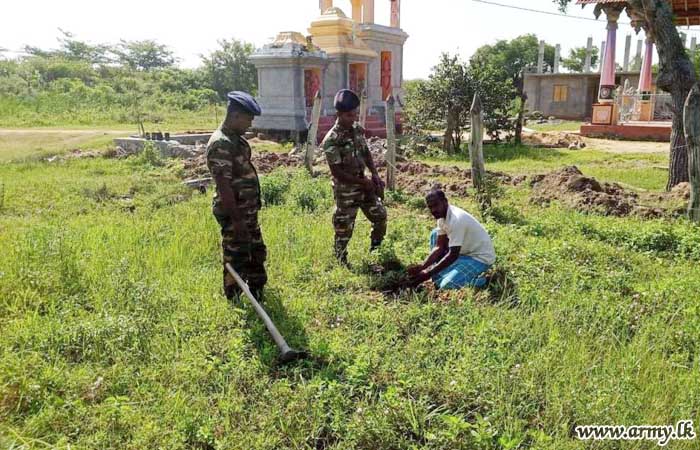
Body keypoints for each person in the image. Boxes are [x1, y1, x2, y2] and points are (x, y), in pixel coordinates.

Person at [206, 91, 266, 301]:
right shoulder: (221, 143)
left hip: (246, 211)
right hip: (235, 213)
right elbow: (224, 186)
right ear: (235, 115)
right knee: (236, 255)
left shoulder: (236, 141)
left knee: (256, 251)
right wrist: (238, 221)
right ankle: (234, 299)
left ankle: (257, 292)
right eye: (248, 118)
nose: (250, 124)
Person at [321, 89, 387, 265]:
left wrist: (374, 174)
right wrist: (363, 182)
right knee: (344, 228)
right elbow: (337, 172)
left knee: (380, 216)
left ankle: (376, 252)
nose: (353, 118)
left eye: (355, 114)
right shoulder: (331, 140)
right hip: (346, 191)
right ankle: (341, 260)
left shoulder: (356, 129)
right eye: (349, 115)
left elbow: (365, 152)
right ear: (339, 114)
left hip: (365, 185)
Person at [408, 189, 496, 290]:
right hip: (463, 254)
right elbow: (439, 247)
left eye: (436, 205)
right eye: (430, 207)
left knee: (447, 285)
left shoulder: (456, 219)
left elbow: (453, 255)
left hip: (478, 258)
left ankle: (485, 280)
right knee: (435, 234)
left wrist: (427, 275)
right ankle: (443, 273)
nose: (433, 210)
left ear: (445, 201)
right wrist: (423, 267)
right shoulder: (442, 217)